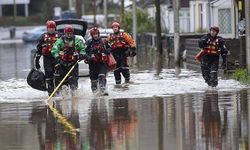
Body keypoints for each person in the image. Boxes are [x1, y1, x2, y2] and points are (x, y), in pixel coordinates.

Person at [51, 25, 86, 92]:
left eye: (70, 34)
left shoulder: (77, 40)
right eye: (67, 34)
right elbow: (54, 50)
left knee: (73, 81)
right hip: (62, 64)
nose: (69, 35)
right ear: (65, 33)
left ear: (72, 33)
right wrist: (57, 57)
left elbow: (82, 49)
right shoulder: (60, 41)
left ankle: (74, 96)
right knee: (63, 83)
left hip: (73, 64)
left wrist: (81, 55)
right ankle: (64, 96)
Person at [34, 20, 61, 95]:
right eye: (50, 28)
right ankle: (51, 93)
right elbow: (39, 49)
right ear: (47, 28)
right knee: (49, 76)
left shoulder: (60, 36)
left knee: (58, 76)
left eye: (53, 28)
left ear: (55, 28)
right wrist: (37, 60)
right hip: (47, 58)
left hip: (57, 58)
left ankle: (59, 92)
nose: (51, 29)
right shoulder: (43, 37)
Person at [107, 21, 136, 87]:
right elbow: (107, 45)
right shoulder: (110, 37)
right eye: (113, 27)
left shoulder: (124, 35)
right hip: (114, 55)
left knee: (124, 69)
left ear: (118, 28)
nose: (115, 28)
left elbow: (131, 42)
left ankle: (127, 81)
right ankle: (118, 85)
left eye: (116, 27)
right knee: (116, 71)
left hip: (123, 54)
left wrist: (132, 49)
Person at [85, 27, 111, 95]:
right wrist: (89, 57)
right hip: (92, 64)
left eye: (96, 34)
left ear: (98, 34)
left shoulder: (104, 41)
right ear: (92, 35)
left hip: (102, 63)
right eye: (94, 34)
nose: (95, 35)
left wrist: (106, 51)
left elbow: (109, 49)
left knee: (102, 76)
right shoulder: (88, 43)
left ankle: (103, 90)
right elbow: (84, 53)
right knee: (94, 81)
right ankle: (95, 94)